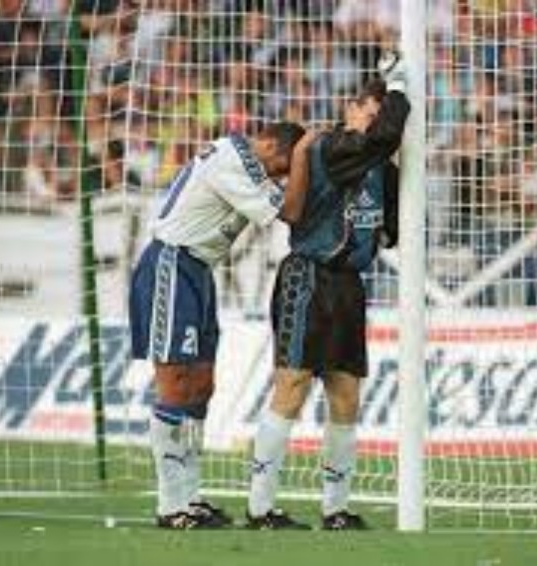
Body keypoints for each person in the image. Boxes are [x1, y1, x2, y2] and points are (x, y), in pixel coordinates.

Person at [246, 52, 410, 530]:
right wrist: (399, 87)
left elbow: (390, 229)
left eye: (380, 116)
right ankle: (260, 508)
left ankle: (335, 509)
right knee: (292, 385)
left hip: (349, 286)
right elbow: (383, 138)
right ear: (350, 109)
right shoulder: (333, 146)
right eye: (370, 113)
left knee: (345, 394)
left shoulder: (383, 168)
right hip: (309, 276)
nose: (375, 124)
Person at [129, 121, 313, 530]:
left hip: (198, 270)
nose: (280, 177)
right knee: (176, 384)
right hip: (171, 264)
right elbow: (291, 212)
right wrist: (303, 155)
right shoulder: (234, 159)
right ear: (270, 144)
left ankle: (189, 497)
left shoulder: (240, 159)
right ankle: (170, 506)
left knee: (201, 386)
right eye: (282, 166)